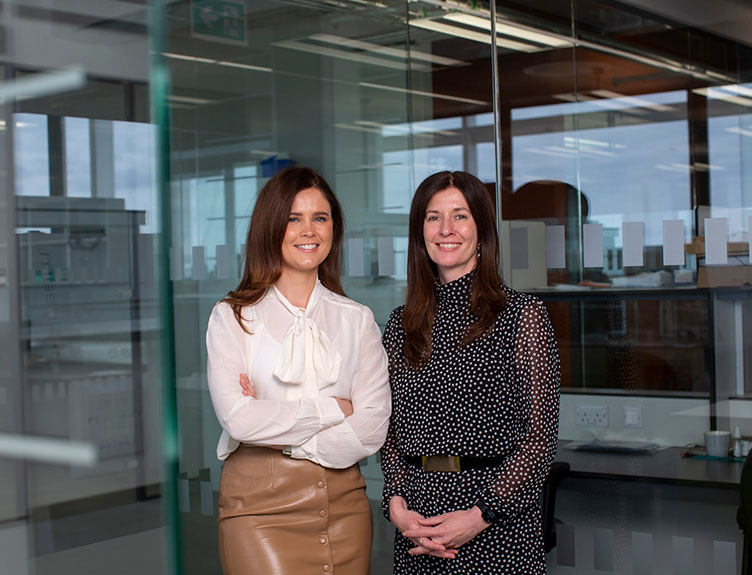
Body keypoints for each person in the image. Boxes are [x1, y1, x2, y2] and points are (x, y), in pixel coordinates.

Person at [206, 166, 391, 575]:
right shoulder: (232, 316)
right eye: (293, 218)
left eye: (319, 218)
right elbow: (238, 419)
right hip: (258, 506)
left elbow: (374, 424)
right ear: (271, 226)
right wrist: (334, 409)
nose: (308, 231)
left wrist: (280, 429)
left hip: (345, 503)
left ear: (333, 230)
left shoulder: (357, 319)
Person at [380, 170, 560, 574]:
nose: (446, 229)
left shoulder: (522, 315)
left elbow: (540, 438)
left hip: (495, 522)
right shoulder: (400, 324)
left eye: (460, 216)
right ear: (420, 231)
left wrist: (480, 515)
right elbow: (387, 429)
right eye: (433, 217)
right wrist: (395, 503)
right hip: (416, 524)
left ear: (482, 229)